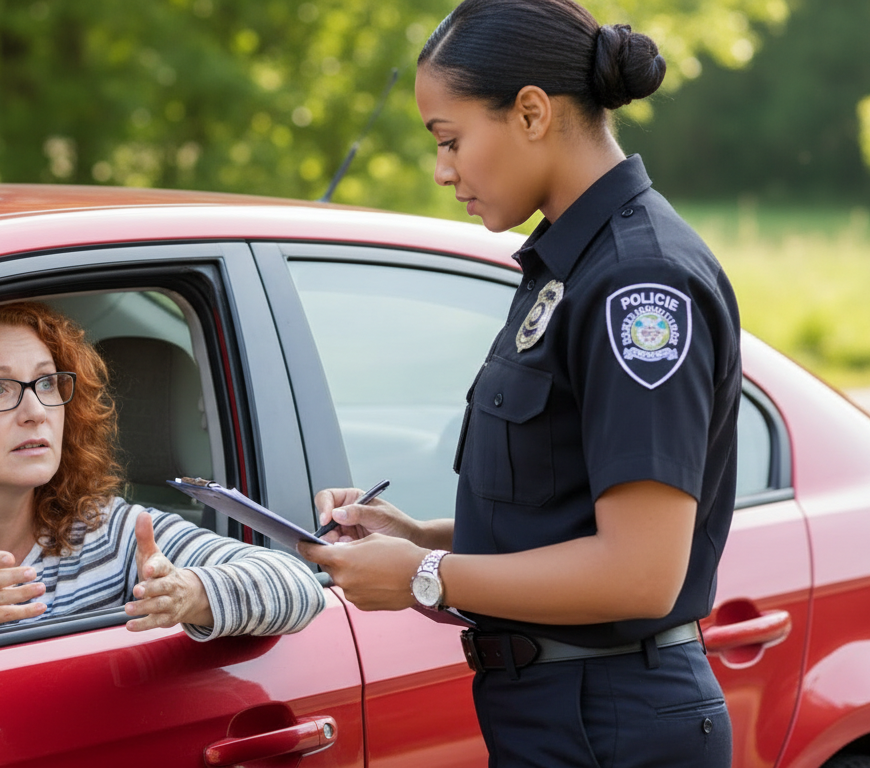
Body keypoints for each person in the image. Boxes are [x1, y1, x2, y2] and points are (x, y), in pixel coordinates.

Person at [298, 1, 739, 766]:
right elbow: (564, 515)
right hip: (567, 714)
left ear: (531, 112)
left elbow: (639, 573)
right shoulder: (571, 268)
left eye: (450, 139)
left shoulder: (637, 282)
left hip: (611, 722)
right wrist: (418, 537)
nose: (443, 171)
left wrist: (426, 578)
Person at [0, 301, 323, 648]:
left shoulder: (110, 530)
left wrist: (190, 594)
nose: (36, 411)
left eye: (47, 383)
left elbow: (301, 586)